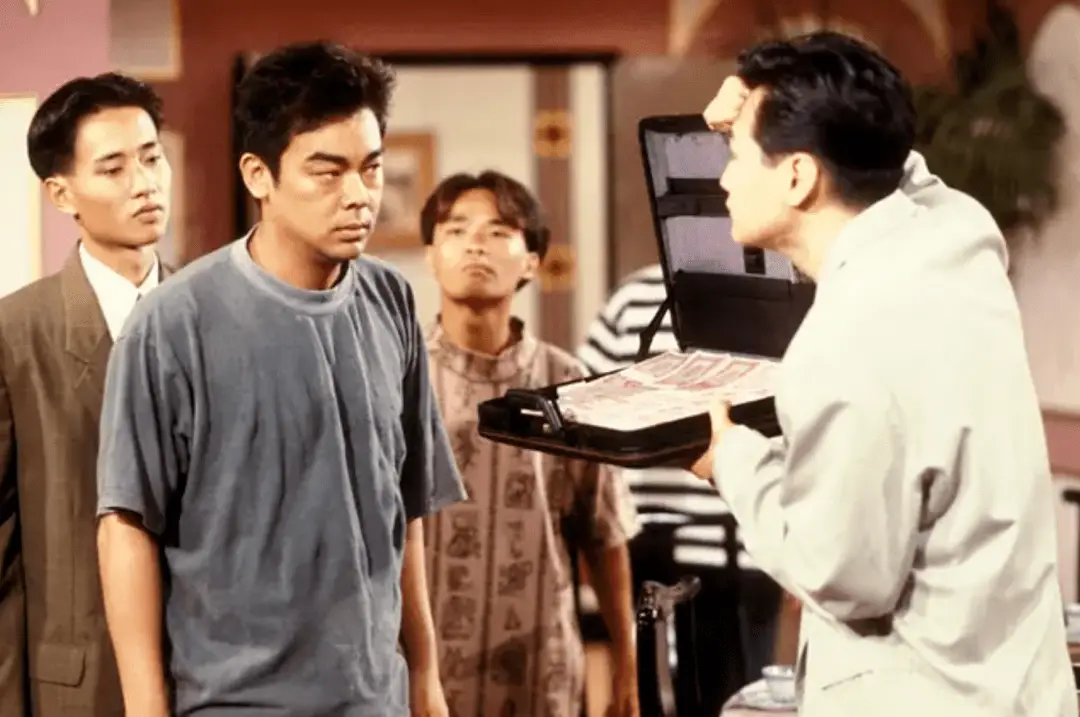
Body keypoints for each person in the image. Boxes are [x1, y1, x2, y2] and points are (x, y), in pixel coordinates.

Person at [688, 32, 1074, 715]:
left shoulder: (845, 337)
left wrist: (735, 463)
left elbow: (846, 576)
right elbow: (890, 166)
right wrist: (765, 97)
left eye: (737, 154)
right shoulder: (958, 236)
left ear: (798, 176)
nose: (723, 178)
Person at [95, 42, 466, 717]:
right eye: (327, 172)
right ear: (258, 175)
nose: (359, 196)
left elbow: (406, 509)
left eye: (371, 168)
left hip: (376, 700)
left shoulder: (390, 300)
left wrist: (424, 677)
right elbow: (125, 524)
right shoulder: (172, 324)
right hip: (234, 701)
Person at [420, 170, 641, 717]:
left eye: (498, 231)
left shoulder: (567, 382)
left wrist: (627, 663)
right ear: (431, 257)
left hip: (544, 667)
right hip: (425, 672)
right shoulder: (401, 377)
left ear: (532, 262)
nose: (475, 243)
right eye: (456, 230)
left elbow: (605, 533)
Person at [0, 72, 171, 717]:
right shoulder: (15, 334)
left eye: (152, 157)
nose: (145, 183)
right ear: (60, 192)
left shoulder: (216, 318)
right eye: (114, 168)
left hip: (213, 675)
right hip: (78, 685)